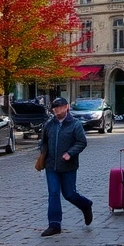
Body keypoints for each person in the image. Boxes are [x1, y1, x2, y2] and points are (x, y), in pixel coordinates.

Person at [38, 97, 93, 237]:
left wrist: (70, 153)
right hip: (51, 166)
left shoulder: (75, 124)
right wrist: (42, 155)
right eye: (55, 108)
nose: (57, 110)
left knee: (69, 194)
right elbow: (43, 142)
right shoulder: (49, 125)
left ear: (67, 107)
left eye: (60, 107)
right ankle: (54, 224)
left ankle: (85, 205)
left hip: (68, 165)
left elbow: (82, 142)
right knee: (54, 193)